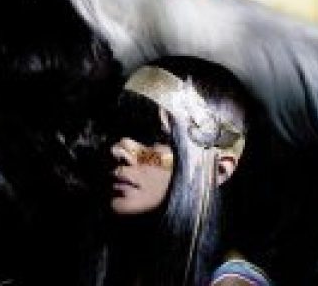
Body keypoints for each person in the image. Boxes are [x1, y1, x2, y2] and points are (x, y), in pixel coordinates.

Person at [93, 56, 271, 286]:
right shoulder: (118, 257)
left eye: (154, 137)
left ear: (219, 170)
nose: (119, 149)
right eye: (119, 130)